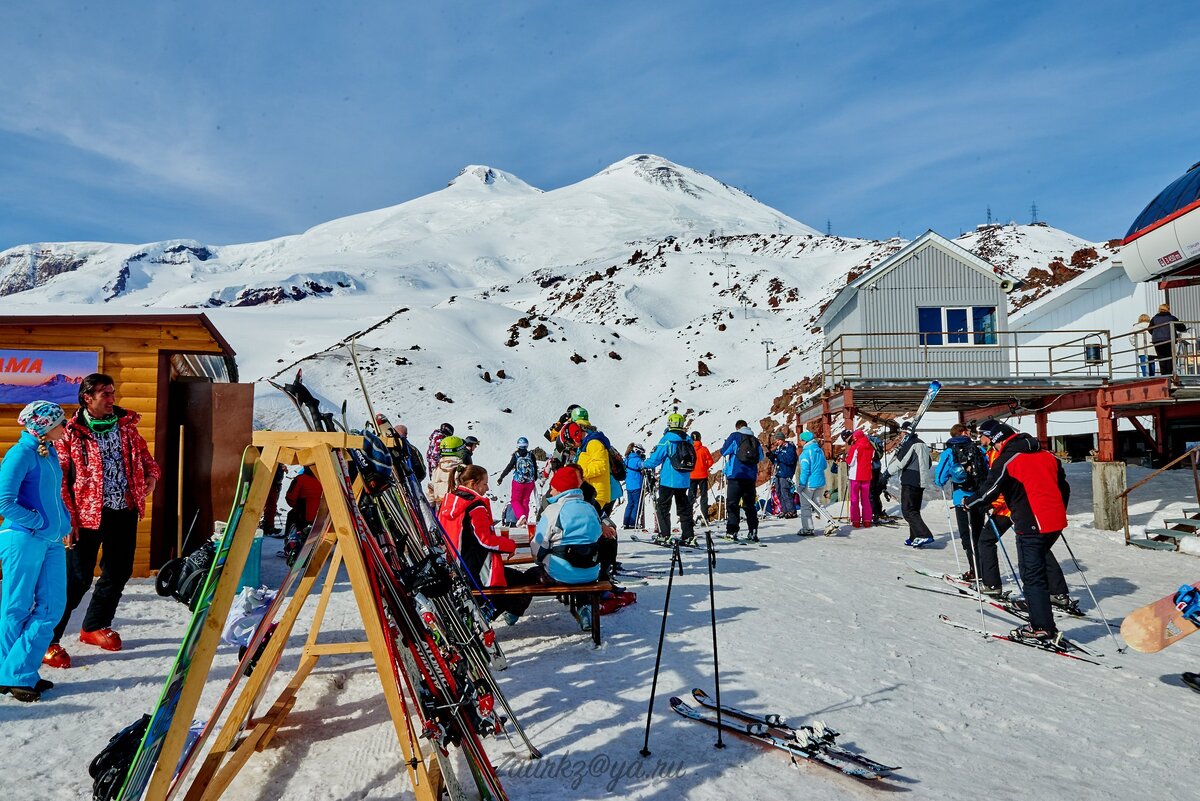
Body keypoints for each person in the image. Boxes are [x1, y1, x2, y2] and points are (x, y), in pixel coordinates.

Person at [50, 374, 160, 663]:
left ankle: (95, 625)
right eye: (105, 394)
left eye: (112, 393)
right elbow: (60, 480)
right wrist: (68, 521)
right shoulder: (70, 433)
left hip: (123, 512)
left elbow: (147, 458)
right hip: (85, 518)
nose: (112, 399)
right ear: (88, 398)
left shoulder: (126, 427)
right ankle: (47, 638)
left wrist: (151, 476)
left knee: (118, 571)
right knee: (76, 580)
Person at [967, 419, 1077, 642]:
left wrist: (970, 503)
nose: (993, 448)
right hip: (1053, 521)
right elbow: (1063, 487)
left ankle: (1041, 626)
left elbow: (988, 490)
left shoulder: (1008, 460)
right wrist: (1056, 511)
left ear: (999, 441)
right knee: (1039, 561)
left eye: (993, 444)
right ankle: (1046, 603)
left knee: (1031, 573)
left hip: (1031, 523)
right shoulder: (1048, 456)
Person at [0, 402, 71, 701]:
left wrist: (62, 524)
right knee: (16, 606)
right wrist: (39, 522)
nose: (64, 427)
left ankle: (15, 670)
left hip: (51, 541)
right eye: (60, 422)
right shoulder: (20, 453)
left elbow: (52, 496)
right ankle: (13, 674)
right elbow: (4, 502)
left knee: (53, 606)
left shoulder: (48, 451)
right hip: (23, 539)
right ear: (43, 425)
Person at [439, 466, 532, 625]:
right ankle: (483, 619)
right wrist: (509, 545)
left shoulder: (450, 501)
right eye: (484, 484)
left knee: (511, 582)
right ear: (473, 483)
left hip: (457, 566)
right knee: (523, 582)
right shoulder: (475, 506)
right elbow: (485, 540)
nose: (487, 488)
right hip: (478, 569)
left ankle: (481, 617)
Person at [530, 467, 606, 630]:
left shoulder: (553, 511)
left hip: (561, 572)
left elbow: (538, 545)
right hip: (591, 571)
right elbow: (598, 535)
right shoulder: (590, 508)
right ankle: (585, 610)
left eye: (553, 487)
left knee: (531, 575)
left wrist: (539, 559)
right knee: (580, 573)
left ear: (561, 489)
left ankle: (514, 610)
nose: (550, 491)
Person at [934, 424, 1001, 593]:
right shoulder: (979, 450)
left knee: (966, 535)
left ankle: (974, 570)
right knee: (979, 534)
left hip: (961, 499)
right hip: (978, 497)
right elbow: (988, 469)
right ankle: (985, 572)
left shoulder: (950, 451)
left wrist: (944, 481)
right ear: (965, 433)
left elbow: (940, 478)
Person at [643, 413, 696, 545]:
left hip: (668, 479)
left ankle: (664, 535)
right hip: (684, 479)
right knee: (684, 507)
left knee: (663, 507)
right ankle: (688, 536)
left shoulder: (668, 438)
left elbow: (656, 458)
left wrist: (643, 464)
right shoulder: (688, 439)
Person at [884, 424, 934, 547]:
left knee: (907, 510)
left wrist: (885, 474)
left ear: (905, 433)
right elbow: (929, 462)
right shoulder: (922, 443)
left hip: (910, 479)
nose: (900, 436)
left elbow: (900, 462)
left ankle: (924, 534)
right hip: (920, 480)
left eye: (901, 433)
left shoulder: (910, 444)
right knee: (914, 510)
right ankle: (914, 536)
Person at [719, 420, 763, 542]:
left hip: (736, 475)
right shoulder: (755, 440)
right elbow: (761, 457)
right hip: (750, 477)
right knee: (749, 505)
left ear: (737, 427)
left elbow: (724, 451)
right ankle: (753, 532)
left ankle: (732, 532)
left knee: (733, 504)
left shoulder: (735, 436)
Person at [572, 408, 616, 515]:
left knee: (592, 527)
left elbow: (601, 466)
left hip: (596, 493)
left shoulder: (593, 442)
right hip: (591, 491)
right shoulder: (586, 443)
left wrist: (579, 474)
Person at [497, 437, 538, 524]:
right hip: (529, 483)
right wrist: (534, 478)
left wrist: (501, 477)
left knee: (515, 500)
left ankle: (521, 516)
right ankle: (524, 521)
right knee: (525, 501)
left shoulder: (516, 455)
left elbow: (509, 467)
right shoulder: (531, 455)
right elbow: (535, 467)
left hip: (518, 482)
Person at [795, 431, 828, 536]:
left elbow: (805, 471)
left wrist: (801, 485)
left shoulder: (805, 453)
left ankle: (808, 528)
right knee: (818, 504)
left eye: (801, 440)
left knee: (805, 506)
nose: (800, 442)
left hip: (809, 484)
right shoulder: (819, 451)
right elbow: (824, 466)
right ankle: (829, 521)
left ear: (805, 441)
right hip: (820, 481)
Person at [843, 429, 875, 528]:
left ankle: (856, 520)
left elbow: (850, 462)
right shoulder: (870, 446)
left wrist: (846, 458)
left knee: (854, 499)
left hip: (855, 476)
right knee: (865, 499)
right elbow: (872, 457)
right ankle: (867, 520)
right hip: (867, 475)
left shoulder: (855, 447)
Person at [428, 435, 467, 508]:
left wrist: (432, 506)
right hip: (458, 509)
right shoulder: (463, 469)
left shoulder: (437, 469)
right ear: (459, 450)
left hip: (441, 509)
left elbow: (431, 489)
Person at [767, 432, 799, 518]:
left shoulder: (790, 447)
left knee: (785, 491)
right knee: (778, 491)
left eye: (778, 440)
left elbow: (790, 460)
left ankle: (792, 511)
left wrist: (778, 456)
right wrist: (771, 457)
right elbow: (776, 460)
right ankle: (785, 510)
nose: (777, 442)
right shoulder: (779, 448)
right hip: (778, 472)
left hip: (786, 472)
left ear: (782, 439)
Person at [1149, 303, 1186, 375]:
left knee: (1161, 358)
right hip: (1169, 340)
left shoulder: (1154, 318)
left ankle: (1164, 375)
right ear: (1168, 309)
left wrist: (1156, 335)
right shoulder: (1171, 318)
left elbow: (1150, 329)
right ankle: (1170, 374)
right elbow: (1182, 327)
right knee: (1169, 358)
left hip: (1157, 341)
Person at [687, 432, 714, 523]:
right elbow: (710, 461)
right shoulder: (704, 449)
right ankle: (704, 517)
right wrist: (704, 467)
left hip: (691, 476)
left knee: (691, 497)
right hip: (702, 475)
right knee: (703, 496)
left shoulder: (688, 449)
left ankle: (689, 518)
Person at [622, 444, 647, 529]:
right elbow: (644, 466)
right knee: (637, 504)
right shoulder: (637, 460)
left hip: (629, 486)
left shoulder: (627, 458)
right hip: (637, 485)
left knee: (630, 504)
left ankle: (626, 523)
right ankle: (633, 523)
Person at [1129, 313, 1156, 377]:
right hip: (1152, 347)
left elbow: (1131, 337)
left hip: (1141, 348)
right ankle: (1153, 377)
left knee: (1143, 363)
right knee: (1152, 362)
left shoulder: (1135, 327)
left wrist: (1135, 344)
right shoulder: (1152, 326)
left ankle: (1146, 376)